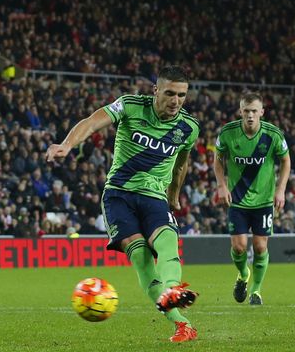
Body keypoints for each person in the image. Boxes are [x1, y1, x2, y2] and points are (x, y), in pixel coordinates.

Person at [46, 66, 200, 342]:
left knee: (167, 241)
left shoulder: (188, 127)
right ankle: (181, 322)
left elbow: (181, 163)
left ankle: (173, 291)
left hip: (154, 196)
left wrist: (174, 194)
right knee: (142, 259)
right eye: (169, 93)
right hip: (119, 195)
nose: (175, 101)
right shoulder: (130, 106)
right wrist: (67, 145)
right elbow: (93, 121)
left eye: (181, 95)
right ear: (156, 90)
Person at [213, 92, 290, 306]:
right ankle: (243, 274)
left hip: (264, 200)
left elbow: (286, 161)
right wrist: (221, 185)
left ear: (262, 113)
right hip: (236, 200)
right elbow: (218, 159)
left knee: (259, 247)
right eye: (246, 111)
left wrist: (281, 190)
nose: (250, 115)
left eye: (254, 111)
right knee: (239, 247)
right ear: (240, 111)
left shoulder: (273, 134)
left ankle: (256, 291)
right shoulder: (228, 133)